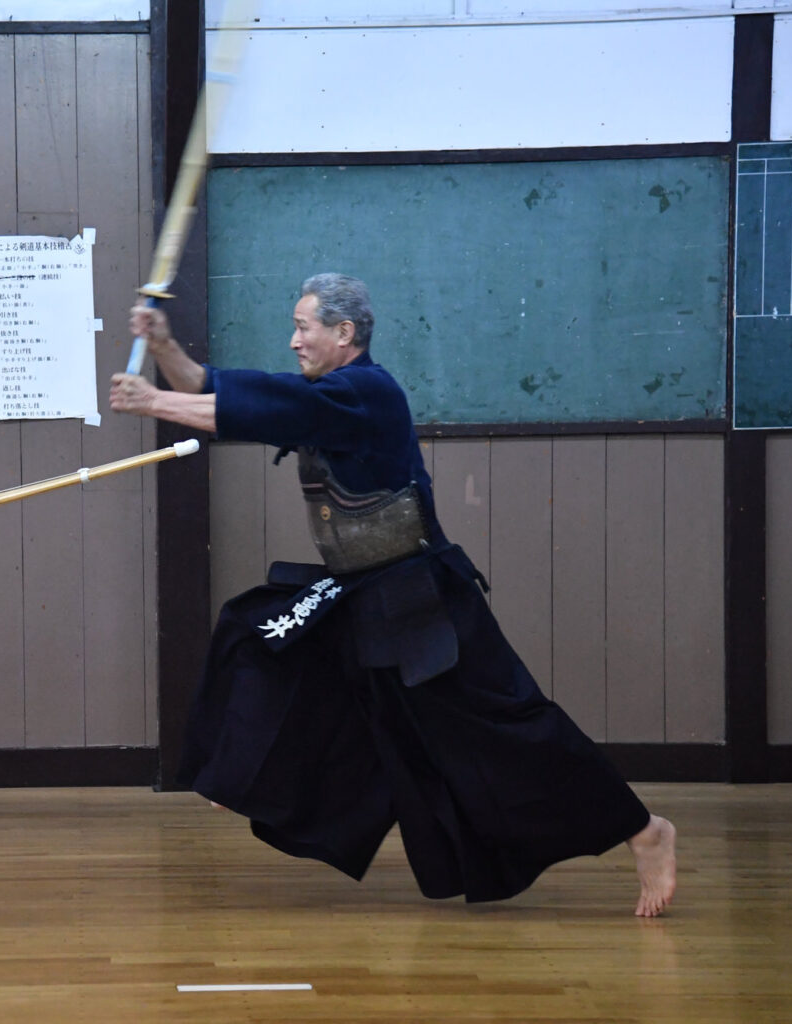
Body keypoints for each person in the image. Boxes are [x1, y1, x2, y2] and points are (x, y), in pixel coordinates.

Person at [110, 273, 677, 917]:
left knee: (512, 725)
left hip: (425, 599)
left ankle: (643, 829)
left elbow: (259, 408)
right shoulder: (328, 395)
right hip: (361, 593)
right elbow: (220, 390)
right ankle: (238, 773)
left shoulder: (367, 393)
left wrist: (153, 403)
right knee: (260, 636)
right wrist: (164, 350)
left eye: (304, 327)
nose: (294, 340)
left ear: (344, 333)